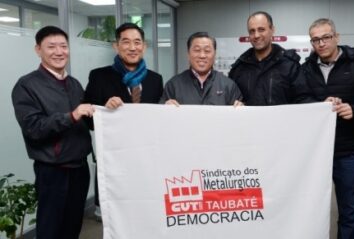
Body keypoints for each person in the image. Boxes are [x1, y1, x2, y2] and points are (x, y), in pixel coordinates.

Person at [301, 18, 354, 239]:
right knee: (308, 210)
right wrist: (317, 105)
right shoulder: (305, 70)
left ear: (336, 37)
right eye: (315, 40)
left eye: (326, 37)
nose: (321, 44)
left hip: (348, 153)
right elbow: (297, 100)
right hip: (314, 154)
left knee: (349, 212)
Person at [11, 26, 94, 239]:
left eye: (63, 46)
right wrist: (71, 116)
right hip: (53, 171)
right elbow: (34, 128)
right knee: (50, 229)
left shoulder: (74, 84)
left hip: (80, 168)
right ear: (38, 50)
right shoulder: (27, 85)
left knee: (73, 226)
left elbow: (87, 120)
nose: (59, 51)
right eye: (51, 46)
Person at [83, 23, 163, 220]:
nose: (132, 47)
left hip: (146, 161)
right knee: (116, 221)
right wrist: (104, 110)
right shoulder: (99, 76)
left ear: (144, 46)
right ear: (116, 46)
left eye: (137, 42)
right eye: (126, 42)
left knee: (147, 217)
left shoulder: (155, 79)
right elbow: (87, 119)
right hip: (115, 162)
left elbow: (159, 121)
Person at [229, 11, 311, 105]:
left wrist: (325, 106)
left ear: (272, 30)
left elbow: (304, 99)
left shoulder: (290, 65)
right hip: (249, 120)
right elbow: (231, 99)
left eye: (261, 29)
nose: (256, 35)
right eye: (252, 31)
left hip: (282, 120)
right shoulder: (239, 68)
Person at [161, 31, 242, 106]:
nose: (202, 56)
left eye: (207, 51)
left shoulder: (228, 85)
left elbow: (239, 118)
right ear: (188, 54)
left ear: (215, 54)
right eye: (197, 50)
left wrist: (241, 108)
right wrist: (164, 108)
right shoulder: (173, 85)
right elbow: (160, 117)